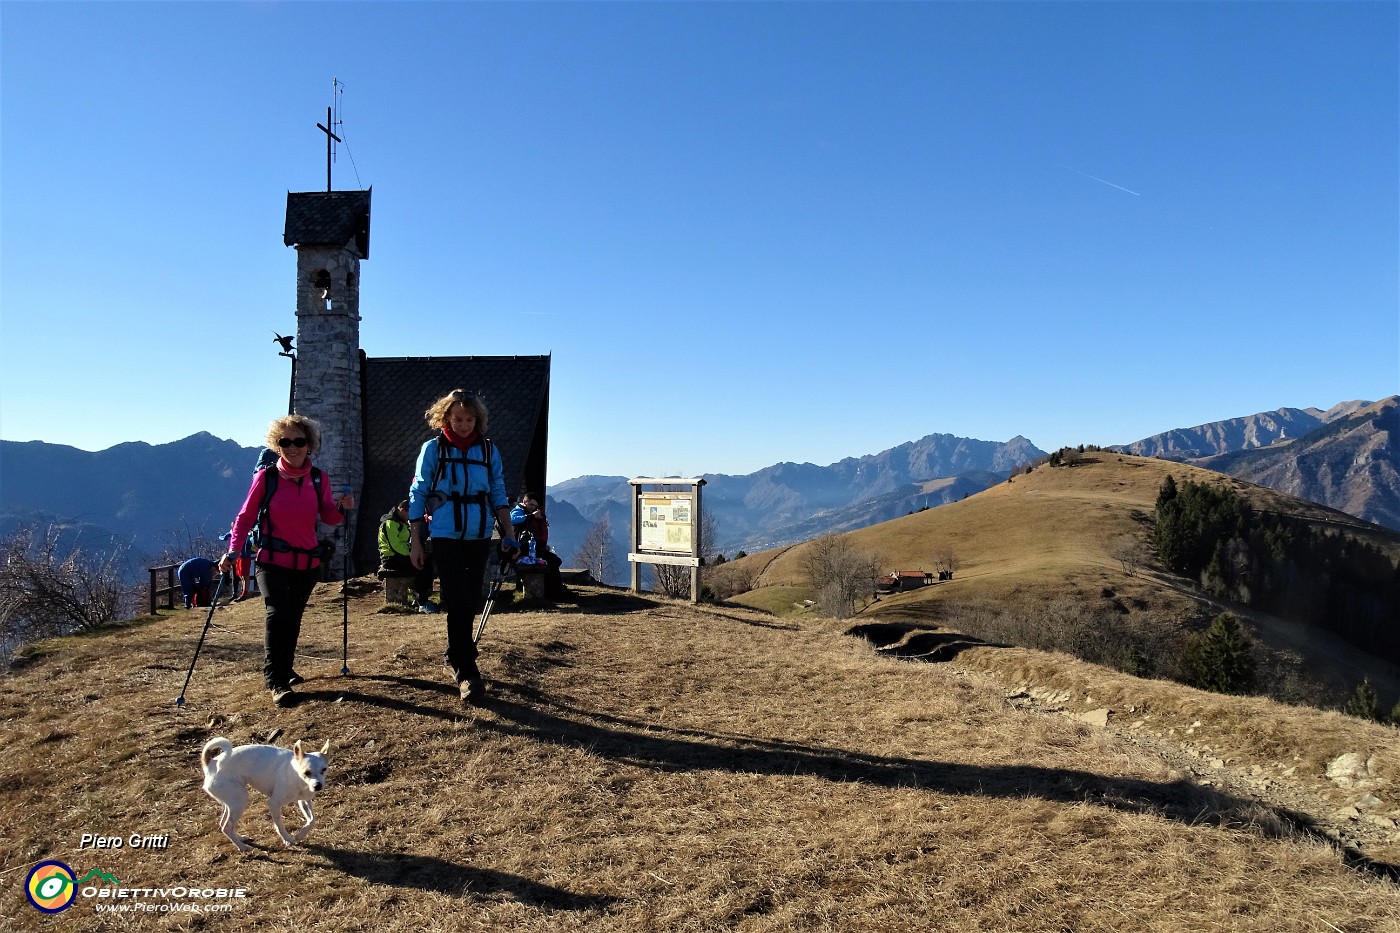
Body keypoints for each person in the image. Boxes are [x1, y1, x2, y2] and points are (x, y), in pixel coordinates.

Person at [222, 415, 353, 708]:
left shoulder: (318, 479)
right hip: (272, 560)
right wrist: (233, 551)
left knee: (293, 616)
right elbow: (244, 518)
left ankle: (287, 669)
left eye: (298, 441)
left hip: (307, 563)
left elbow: (329, 517)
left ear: (309, 445)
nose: (292, 448)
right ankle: (275, 680)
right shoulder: (266, 478)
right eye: (285, 442)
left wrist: (341, 509)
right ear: (276, 445)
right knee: (277, 613)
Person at [407, 389, 517, 705]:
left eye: (470, 419)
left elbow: (498, 491)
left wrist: (508, 533)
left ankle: (456, 655)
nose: (464, 424)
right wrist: (417, 540)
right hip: (444, 533)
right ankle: (467, 671)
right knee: (457, 599)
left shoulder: (487, 451)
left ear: (478, 419)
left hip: (480, 533)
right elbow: (418, 492)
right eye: (458, 419)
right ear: (446, 418)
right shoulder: (433, 449)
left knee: (471, 598)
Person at [510, 492, 571, 600]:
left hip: (530, 548)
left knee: (554, 561)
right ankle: (555, 592)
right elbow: (513, 519)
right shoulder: (518, 510)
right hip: (521, 550)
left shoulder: (528, 511)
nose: (533, 508)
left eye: (535, 506)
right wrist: (531, 516)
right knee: (553, 561)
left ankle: (554, 590)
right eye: (531, 505)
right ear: (525, 501)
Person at [378, 499, 436, 611]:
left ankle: (420, 597)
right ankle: (422, 600)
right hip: (392, 558)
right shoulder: (390, 523)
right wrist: (412, 554)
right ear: (401, 510)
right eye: (409, 512)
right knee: (421, 566)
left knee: (426, 563)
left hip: (400, 556)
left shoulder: (401, 523)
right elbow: (395, 546)